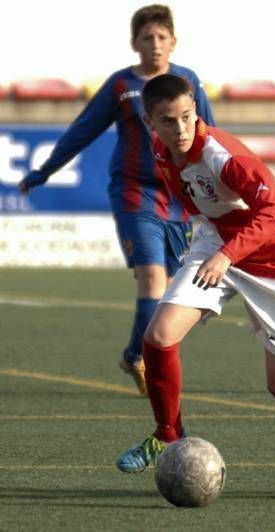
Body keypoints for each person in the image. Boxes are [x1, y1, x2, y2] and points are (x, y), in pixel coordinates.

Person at [114, 74, 275, 501]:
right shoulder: (161, 150)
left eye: (187, 117)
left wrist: (229, 254)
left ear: (196, 108)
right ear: (150, 122)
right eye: (168, 121)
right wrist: (215, 245)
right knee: (158, 338)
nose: (180, 128)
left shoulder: (223, 155)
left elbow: (273, 212)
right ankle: (166, 433)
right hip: (216, 242)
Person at [18, 5, 215, 396]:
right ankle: (145, 360)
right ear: (134, 43)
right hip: (132, 191)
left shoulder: (188, 81)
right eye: (147, 37)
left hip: (178, 197)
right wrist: (44, 171)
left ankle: (131, 354)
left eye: (162, 37)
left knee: (173, 289)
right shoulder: (122, 86)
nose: (155, 45)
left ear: (173, 42)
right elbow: (83, 130)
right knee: (153, 279)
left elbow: (209, 135)